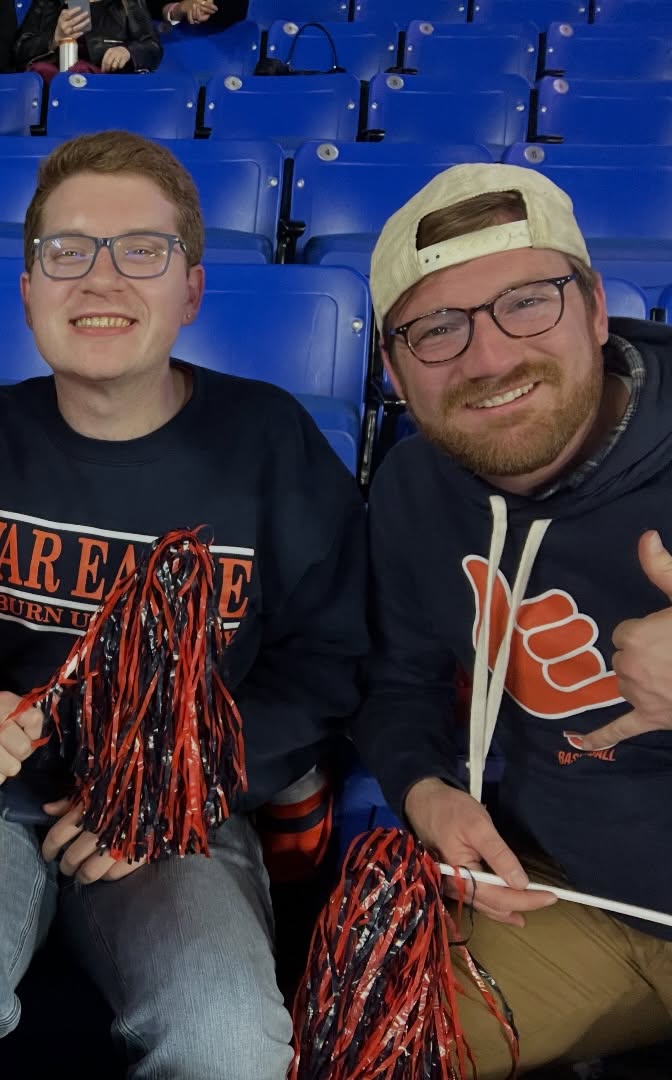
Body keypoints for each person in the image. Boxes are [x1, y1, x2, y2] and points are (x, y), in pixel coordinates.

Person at [0, 130, 369, 1078]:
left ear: (192, 290)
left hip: (182, 806)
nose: (101, 280)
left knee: (227, 1039)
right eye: (67, 252)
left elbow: (324, 667)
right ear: (28, 290)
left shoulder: (272, 444)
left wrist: (170, 782)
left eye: (143, 251)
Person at [353, 163, 672, 1076]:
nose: (488, 358)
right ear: (394, 371)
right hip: (569, 900)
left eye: (527, 302)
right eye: (437, 330)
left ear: (597, 308)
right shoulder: (416, 489)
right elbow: (398, 682)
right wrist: (425, 791)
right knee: (366, 1053)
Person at [15, 0, 162, 81]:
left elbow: (152, 47)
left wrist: (127, 52)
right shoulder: (48, 3)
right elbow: (20, 50)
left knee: (80, 72)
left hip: (104, 80)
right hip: (57, 80)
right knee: (41, 72)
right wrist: (54, 39)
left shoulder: (127, 3)